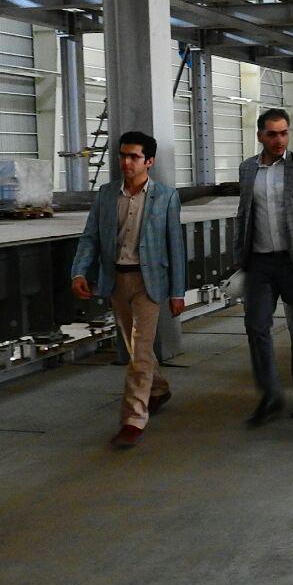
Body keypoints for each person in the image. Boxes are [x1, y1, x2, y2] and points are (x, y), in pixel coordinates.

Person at [71, 131, 186, 449]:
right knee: (136, 348)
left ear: (149, 161)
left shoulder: (166, 197)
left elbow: (175, 246)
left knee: (139, 350)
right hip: (115, 280)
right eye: (123, 155)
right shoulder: (107, 194)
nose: (126, 162)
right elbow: (91, 236)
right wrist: (79, 271)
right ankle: (158, 388)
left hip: (149, 282)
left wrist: (178, 291)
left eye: (134, 156)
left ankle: (133, 419)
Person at [235, 108, 293, 427]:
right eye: (272, 134)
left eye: (284, 133)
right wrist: (239, 257)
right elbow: (244, 213)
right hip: (259, 262)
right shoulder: (248, 169)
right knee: (256, 326)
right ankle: (270, 394)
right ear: (260, 135)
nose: (279, 139)